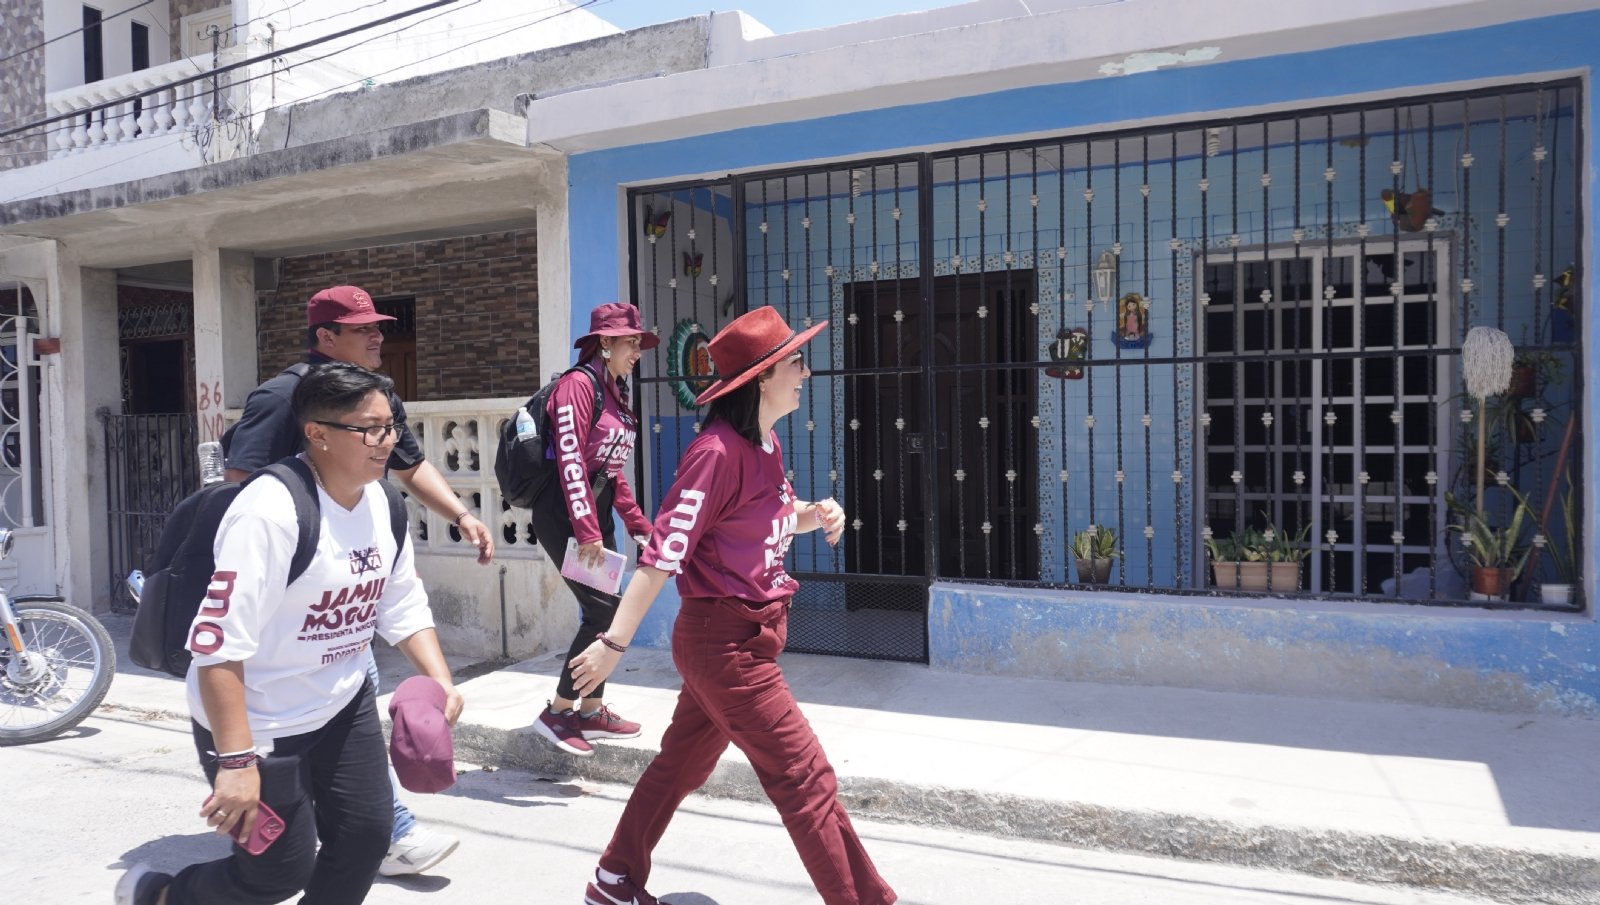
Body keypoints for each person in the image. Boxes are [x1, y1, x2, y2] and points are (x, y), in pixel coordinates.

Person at [568, 306, 898, 905]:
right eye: (795, 362)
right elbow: (663, 555)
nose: (805, 371)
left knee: (682, 765)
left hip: (742, 638)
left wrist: (814, 513)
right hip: (725, 645)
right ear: (762, 378)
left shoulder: (763, 443)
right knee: (805, 778)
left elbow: (766, 520)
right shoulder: (715, 453)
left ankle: (614, 880)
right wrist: (614, 643)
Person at [116, 363, 465, 905]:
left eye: (390, 426)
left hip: (341, 704)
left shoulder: (385, 505)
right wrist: (236, 763)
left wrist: (440, 682)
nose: (386, 442)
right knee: (278, 872)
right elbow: (217, 651)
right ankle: (163, 897)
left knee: (366, 839)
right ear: (318, 433)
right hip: (257, 723)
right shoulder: (270, 512)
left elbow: (401, 605)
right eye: (369, 429)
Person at [224, 283, 486, 875]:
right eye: (363, 328)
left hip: (346, 598)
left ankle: (373, 830)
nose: (378, 337)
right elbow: (239, 482)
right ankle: (373, 832)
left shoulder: (379, 399)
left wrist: (463, 515)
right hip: (283, 604)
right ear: (325, 337)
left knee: (349, 716)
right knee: (278, 859)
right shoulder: (280, 397)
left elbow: (410, 467)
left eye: (379, 327)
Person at [528, 302, 658, 757]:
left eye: (639, 343)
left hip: (593, 514)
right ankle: (559, 711)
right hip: (565, 513)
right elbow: (569, 462)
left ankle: (590, 710)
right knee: (606, 614)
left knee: (600, 613)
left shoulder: (615, 392)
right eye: (630, 342)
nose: (637, 351)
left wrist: (638, 525)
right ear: (604, 343)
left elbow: (611, 469)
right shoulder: (577, 386)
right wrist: (586, 530)